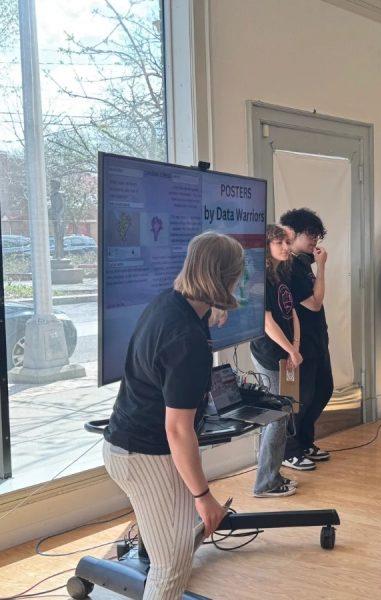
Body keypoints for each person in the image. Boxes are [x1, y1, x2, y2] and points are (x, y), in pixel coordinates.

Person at [103, 231, 244, 600]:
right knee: (173, 564)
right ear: (225, 278)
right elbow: (179, 431)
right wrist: (203, 496)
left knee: (177, 546)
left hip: (132, 445)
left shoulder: (171, 304)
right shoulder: (186, 339)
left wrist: (213, 311)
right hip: (145, 455)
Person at [250, 224, 315, 486]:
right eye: (280, 243)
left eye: (287, 243)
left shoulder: (281, 273)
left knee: (281, 413)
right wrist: (290, 349)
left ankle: (271, 474)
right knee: (278, 415)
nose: (286, 248)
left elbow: (292, 313)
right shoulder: (258, 279)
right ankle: (265, 481)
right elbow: (266, 323)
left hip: (287, 352)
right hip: (269, 354)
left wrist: (295, 346)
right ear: (266, 247)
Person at [279, 208, 333, 463]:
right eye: (309, 235)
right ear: (293, 234)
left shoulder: (304, 263)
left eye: (316, 236)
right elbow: (315, 302)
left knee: (324, 389)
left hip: (317, 337)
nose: (314, 241)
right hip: (301, 343)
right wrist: (322, 267)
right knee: (302, 397)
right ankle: (291, 451)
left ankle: (305, 442)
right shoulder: (290, 267)